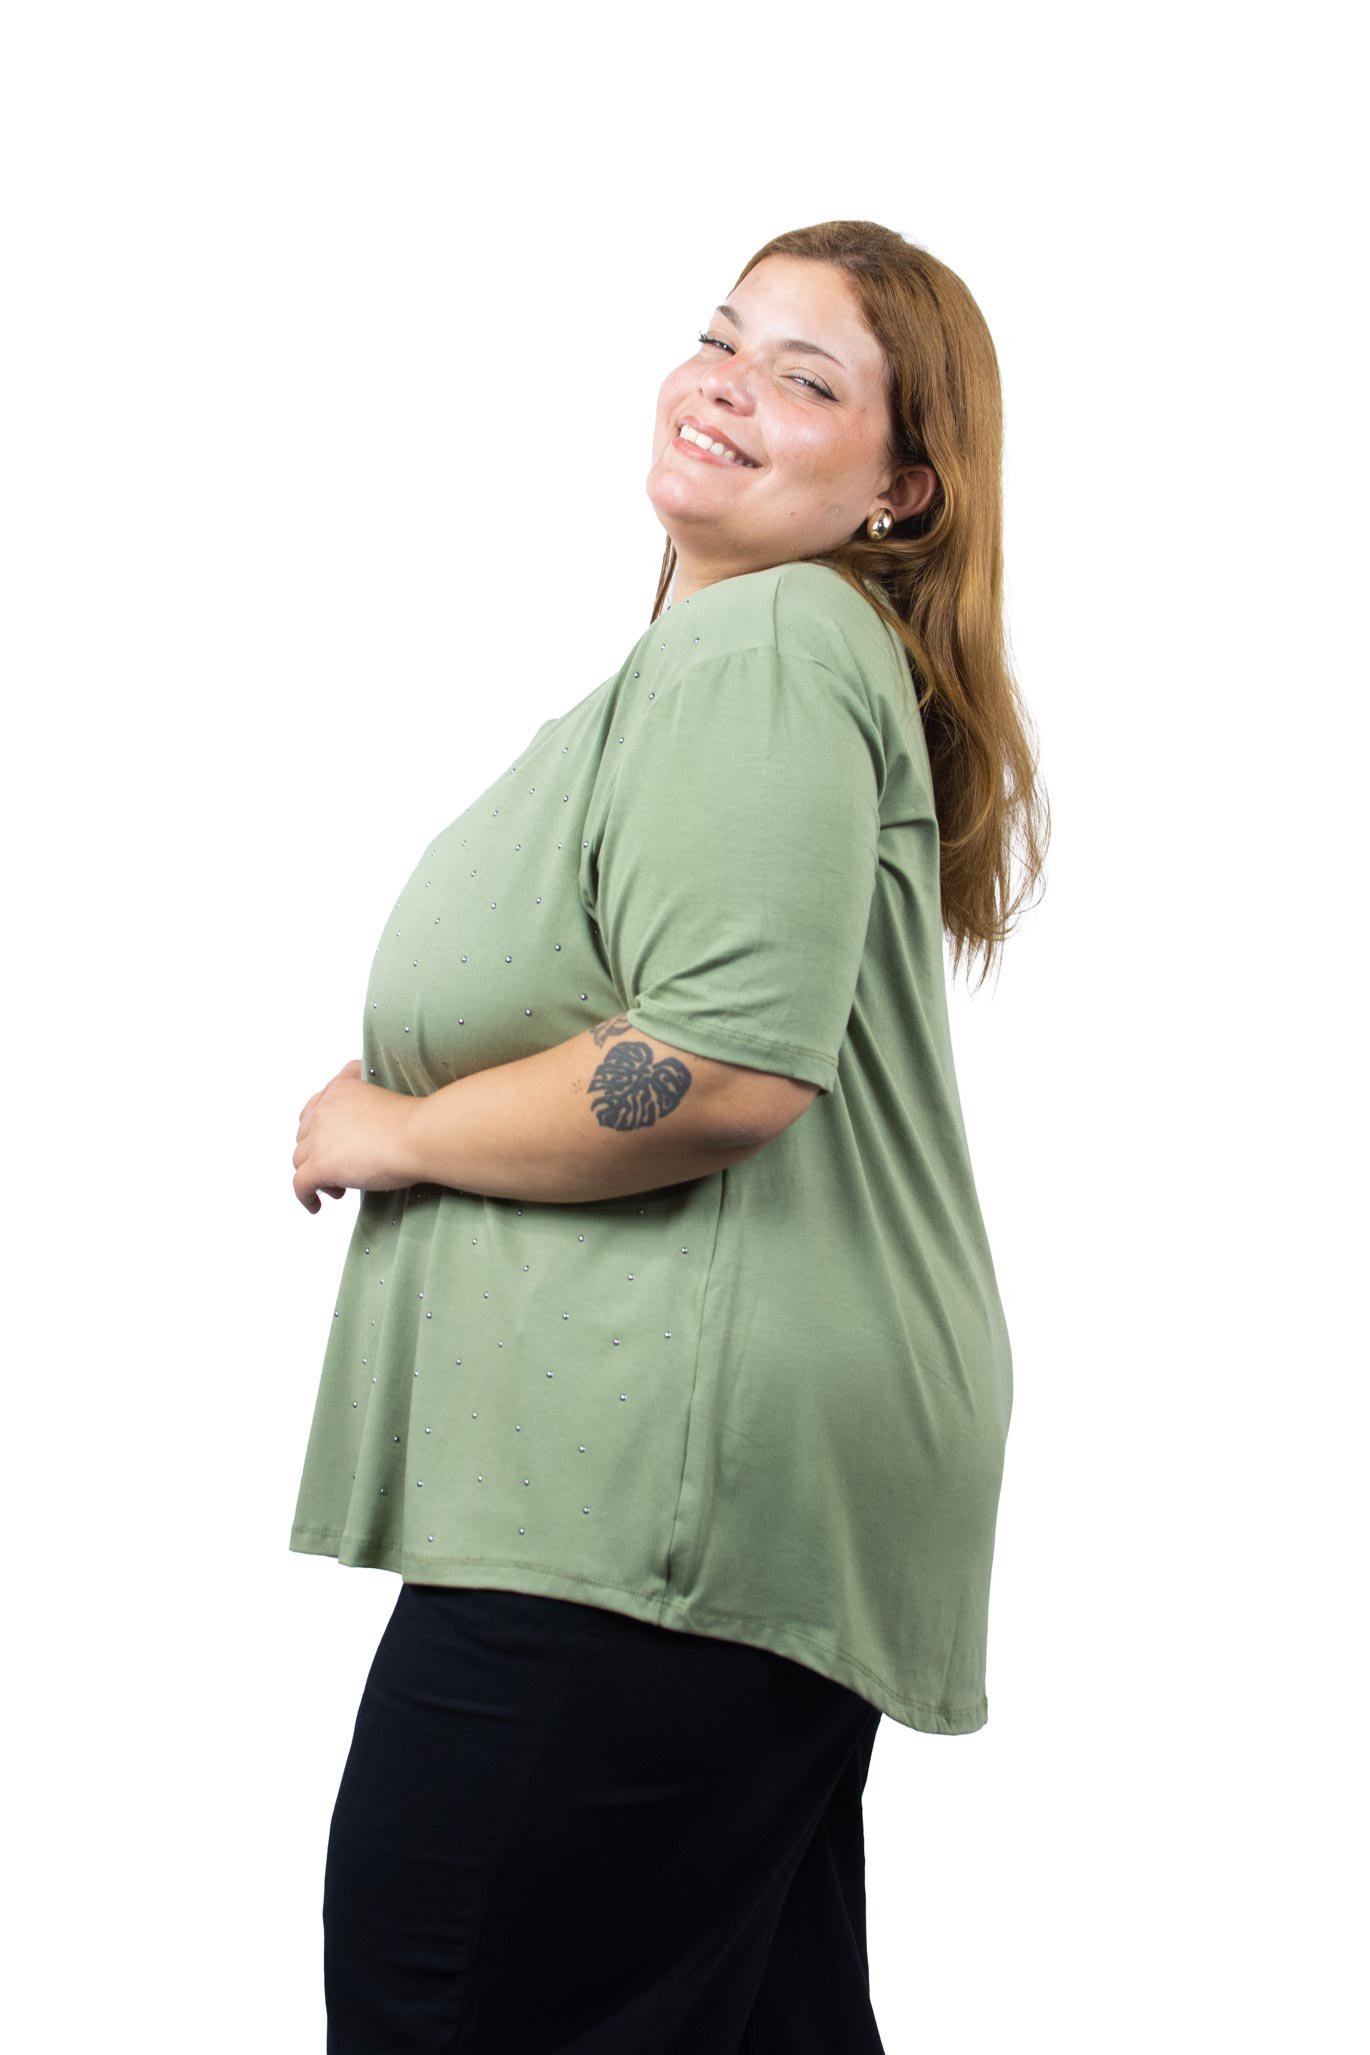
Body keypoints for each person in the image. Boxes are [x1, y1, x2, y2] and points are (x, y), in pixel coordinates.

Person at [288, 218, 1048, 2054]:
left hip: (655, 1497)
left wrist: (397, 1129)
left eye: (807, 378)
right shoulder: (738, 662)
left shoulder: (771, 644)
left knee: (450, 2007)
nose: (727, 387)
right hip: (711, 1493)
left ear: (900, 490)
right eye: (722, 338)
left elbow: (712, 1070)